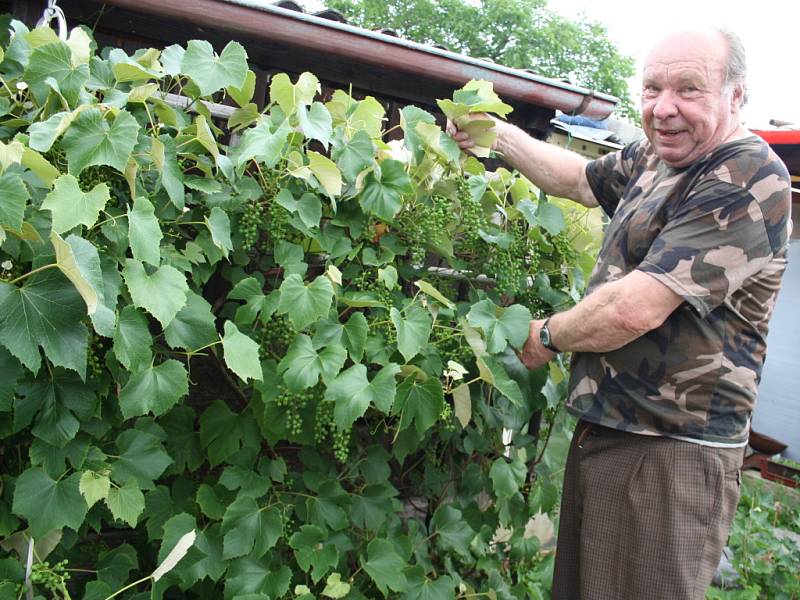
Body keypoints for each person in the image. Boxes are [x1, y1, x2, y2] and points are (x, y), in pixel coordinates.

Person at [449, 27, 792, 600]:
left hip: (672, 450)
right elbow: (578, 180)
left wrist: (548, 335)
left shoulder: (746, 177)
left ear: (736, 97)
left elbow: (635, 308)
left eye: (689, 89)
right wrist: (500, 136)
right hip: (615, 428)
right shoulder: (658, 155)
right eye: (652, 88)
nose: (664, 108)